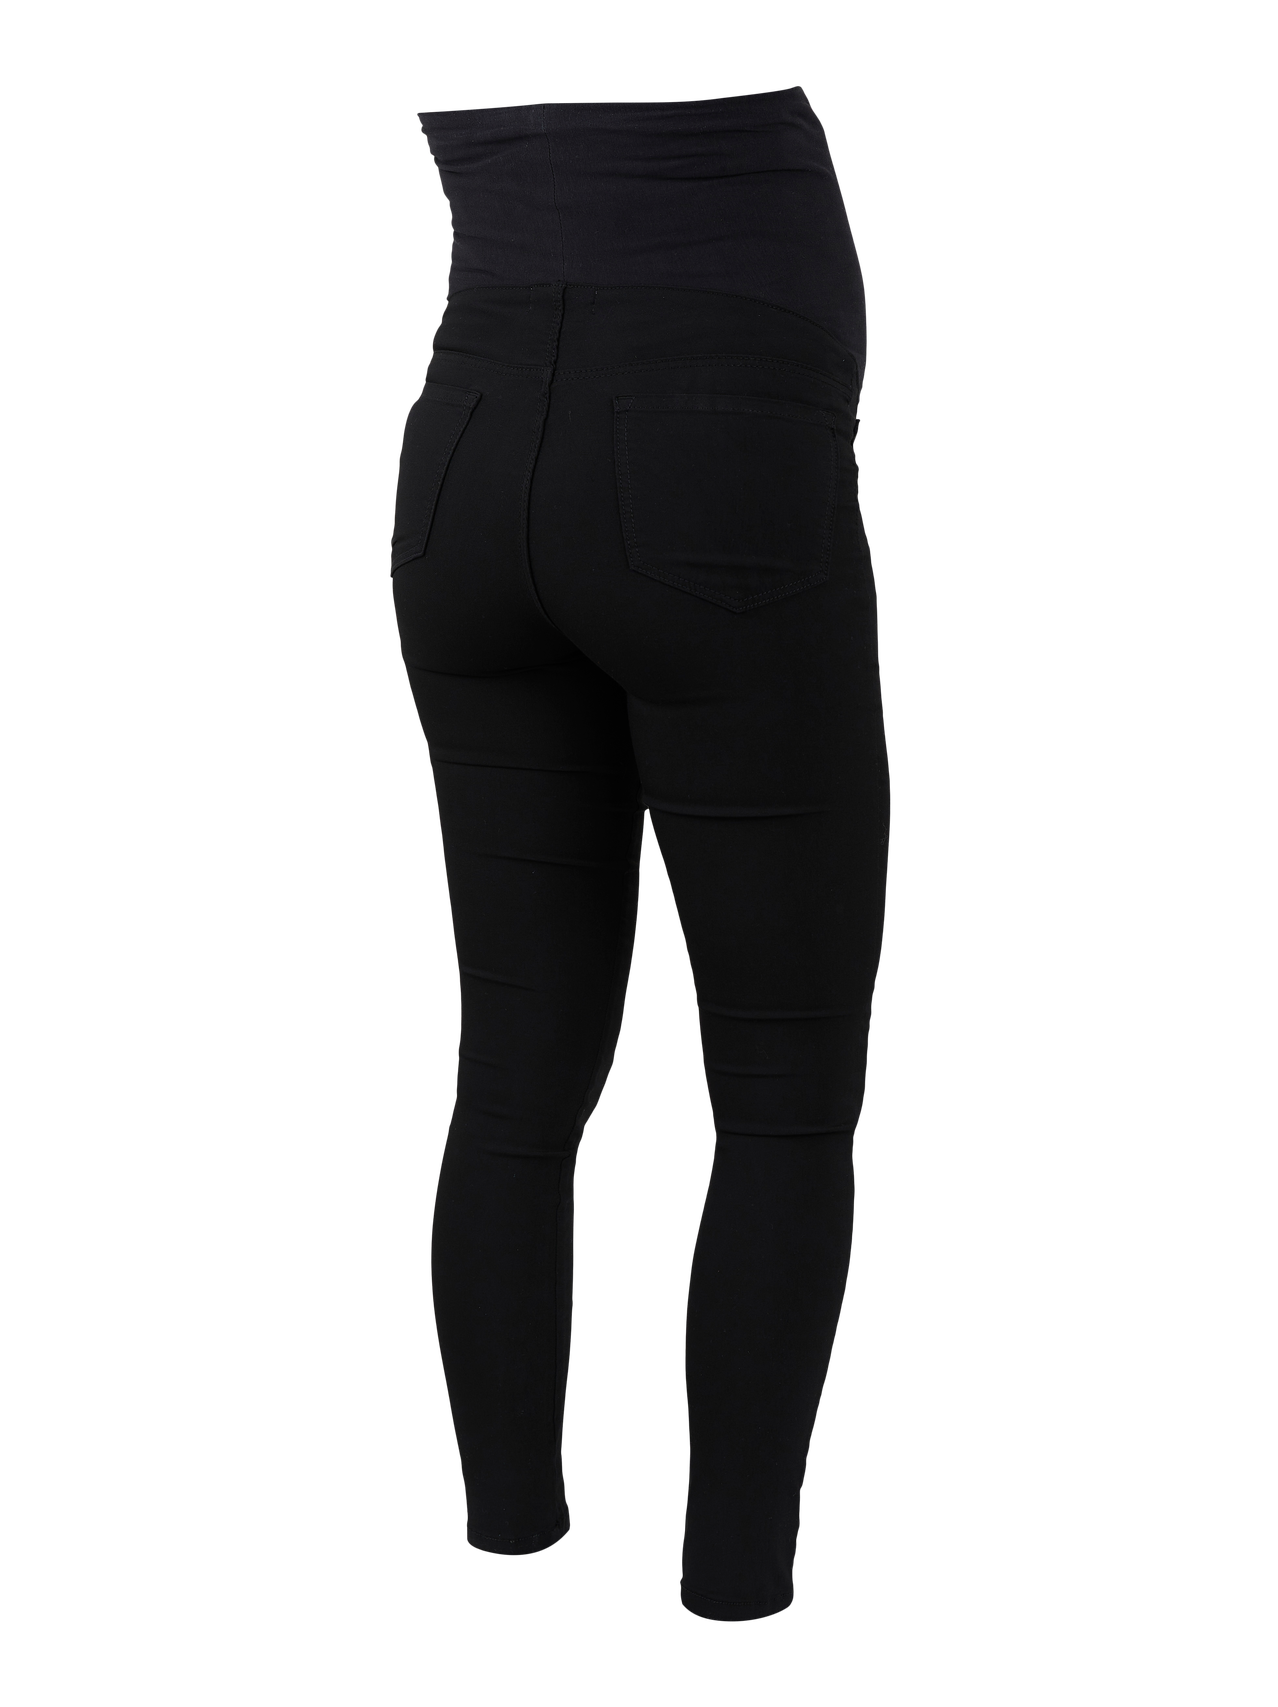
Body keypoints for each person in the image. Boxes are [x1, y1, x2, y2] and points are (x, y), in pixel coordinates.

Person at [389, 86, 889, 1623]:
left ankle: (507, 1542)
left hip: (464, 446)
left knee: (509, 1084)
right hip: (714, 454)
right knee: (785, 1097)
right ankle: (735, 1590)